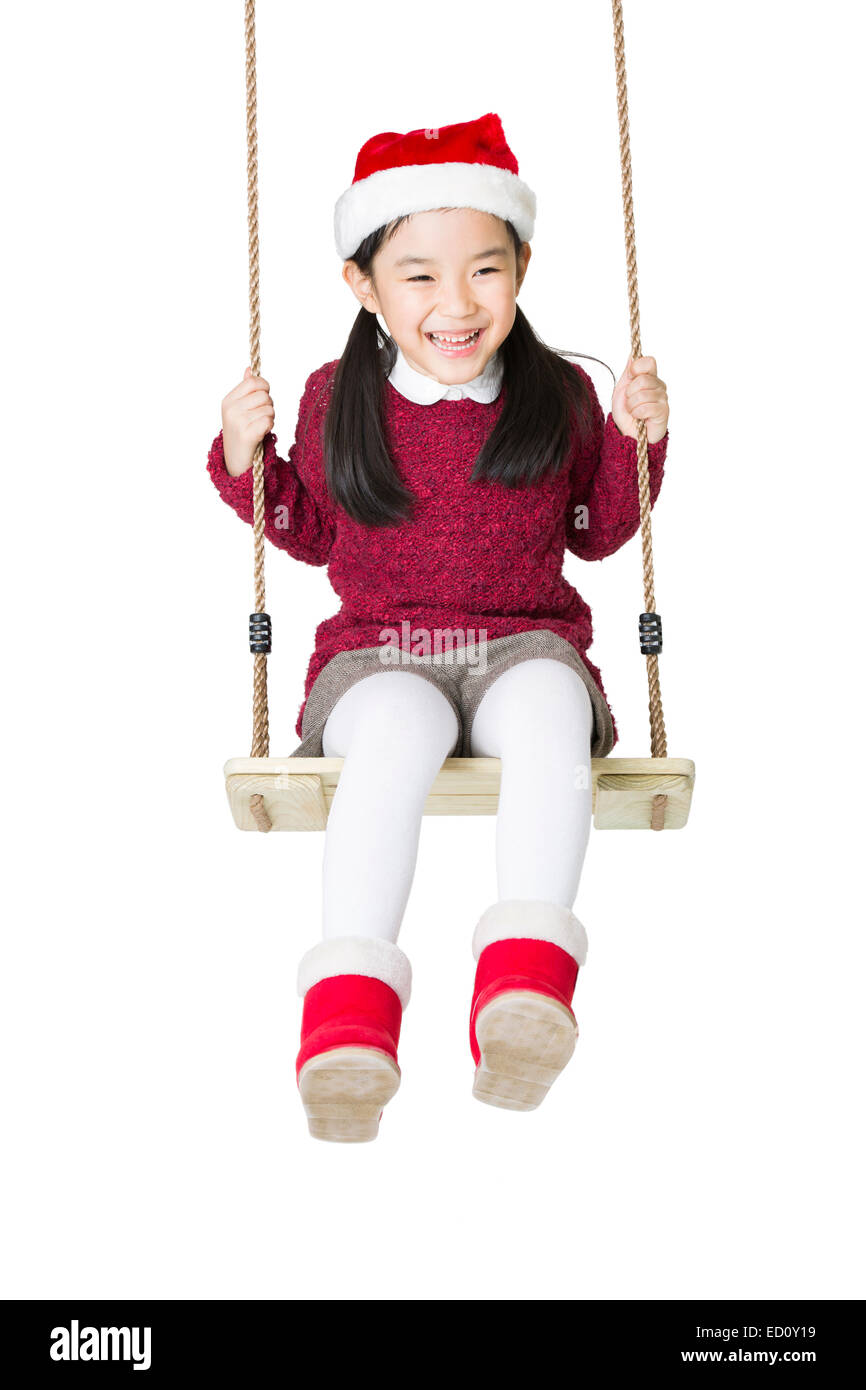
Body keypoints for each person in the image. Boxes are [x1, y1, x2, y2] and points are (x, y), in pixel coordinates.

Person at [206, 111, 670, 1141]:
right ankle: (349, 1021)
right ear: (363, 285)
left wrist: (639, 441)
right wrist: (248, 463)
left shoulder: (557, 394)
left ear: (522, 268)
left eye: (483, 271)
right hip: (381, 653)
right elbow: (310, 530)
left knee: (554, 707)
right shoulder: (338, 399)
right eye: (417, 275)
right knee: (396, 734)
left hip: (521, 646)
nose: (454, 305)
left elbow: (595, 532)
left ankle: (525, 988)